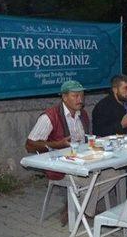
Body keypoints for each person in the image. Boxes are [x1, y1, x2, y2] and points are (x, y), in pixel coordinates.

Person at [26, 80, 121, 220]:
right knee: (91, 180)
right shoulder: (50, 117)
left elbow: (85, 139)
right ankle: (85, 211)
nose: (80, 99)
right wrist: (57, 144)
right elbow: (29, 145)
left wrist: (99, 142)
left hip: (84, 161)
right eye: (75, 96)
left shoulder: (82, 114)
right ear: (64, 97)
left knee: (117, 172)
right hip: (61, 166)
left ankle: (79, 207)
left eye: (82, 95)